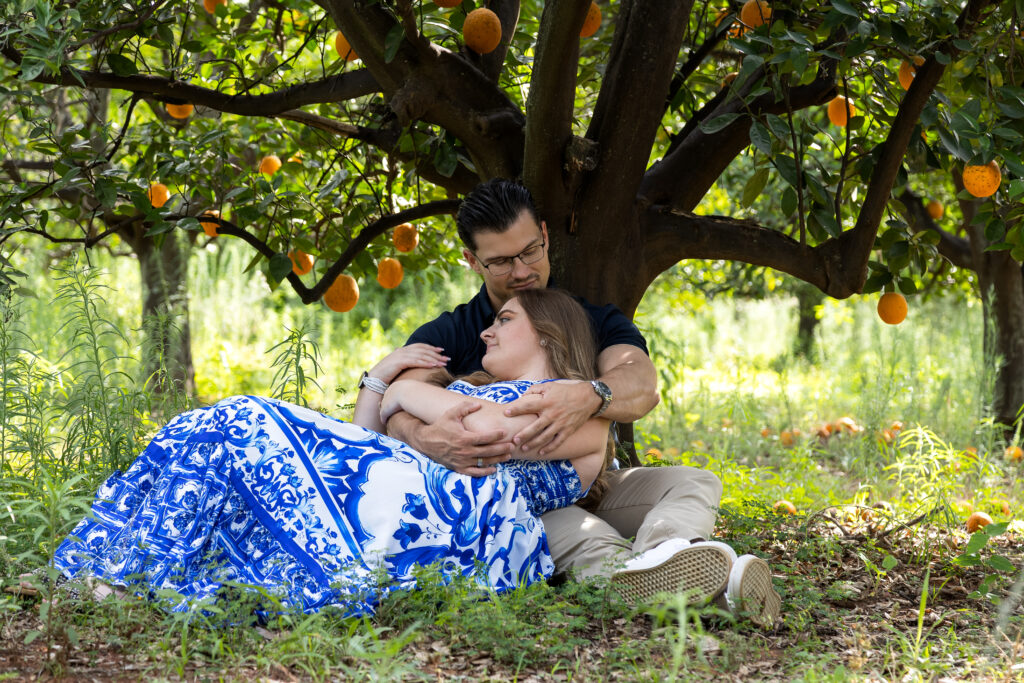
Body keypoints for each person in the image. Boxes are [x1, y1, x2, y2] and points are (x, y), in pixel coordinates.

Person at [48, 289, 611, 616]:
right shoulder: (472, 390)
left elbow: (487, 430)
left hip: (457, 521)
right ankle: (117, 571)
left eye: (504, 320)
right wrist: (379, 380)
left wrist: (407, 395)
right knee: (208, 428)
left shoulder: (585, 421)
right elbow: (367, 438)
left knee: (241, 418)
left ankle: (123, 579)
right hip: (399, 489)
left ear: (551, 335)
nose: (486, 333)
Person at [381, 179, 781, 626]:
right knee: (595, 549)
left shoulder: (588, 320)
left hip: (589, 480)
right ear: (472, 261)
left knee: (693, 481)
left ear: (547, 236)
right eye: (499, 261)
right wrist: (425, 436)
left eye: (530, 250)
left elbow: (641, 384)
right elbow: (396, 405)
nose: (520, 270)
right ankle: (713, 594)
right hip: (518, 504)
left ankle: (668, 554)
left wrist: (591, 394)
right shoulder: (455, 333)